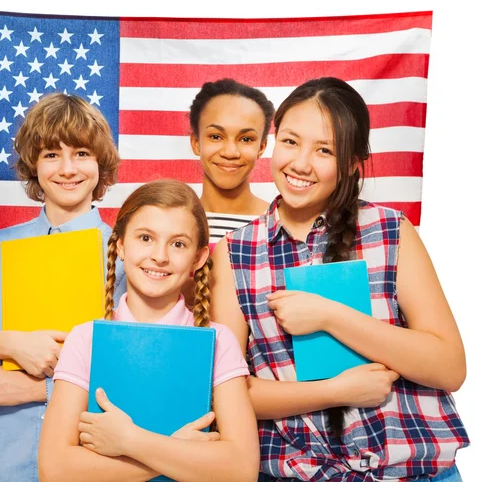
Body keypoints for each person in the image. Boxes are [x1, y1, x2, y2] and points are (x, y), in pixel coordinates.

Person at [210, 77, 469, 481]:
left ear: (351, 162)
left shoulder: (389, 230)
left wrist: (331, 317)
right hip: (298, 473)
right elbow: (227, 393)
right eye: (291, 141)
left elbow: (449, 367)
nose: (300, 163)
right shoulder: (235, 253)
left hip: (414, 472)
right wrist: (336, 392)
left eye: (324, 150)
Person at [0, 93, 126, 482]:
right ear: (34, 164)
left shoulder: (128, 252)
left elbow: (135, 364)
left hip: (92, 459)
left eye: (82, 153)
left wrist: (40, 389)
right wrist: (8, 343)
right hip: (6, 460)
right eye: (51, 155)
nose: (67, 169)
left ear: (101, 163)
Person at [39, 179, 259, 482]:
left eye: (178, 244)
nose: (160, 255)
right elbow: (55, 468)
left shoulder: (219, 341)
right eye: (145, 238)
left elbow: (241, 469)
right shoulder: (86, 338)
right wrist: (175, 454)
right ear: (121, 246)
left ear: (198, 258)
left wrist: (130, 441)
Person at [189, 78, 275, 250]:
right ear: (196, 143)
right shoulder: (172, 221)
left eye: (245, 139)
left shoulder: (280, 225)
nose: (230, 152)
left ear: (262, 147)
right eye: (216, 136)